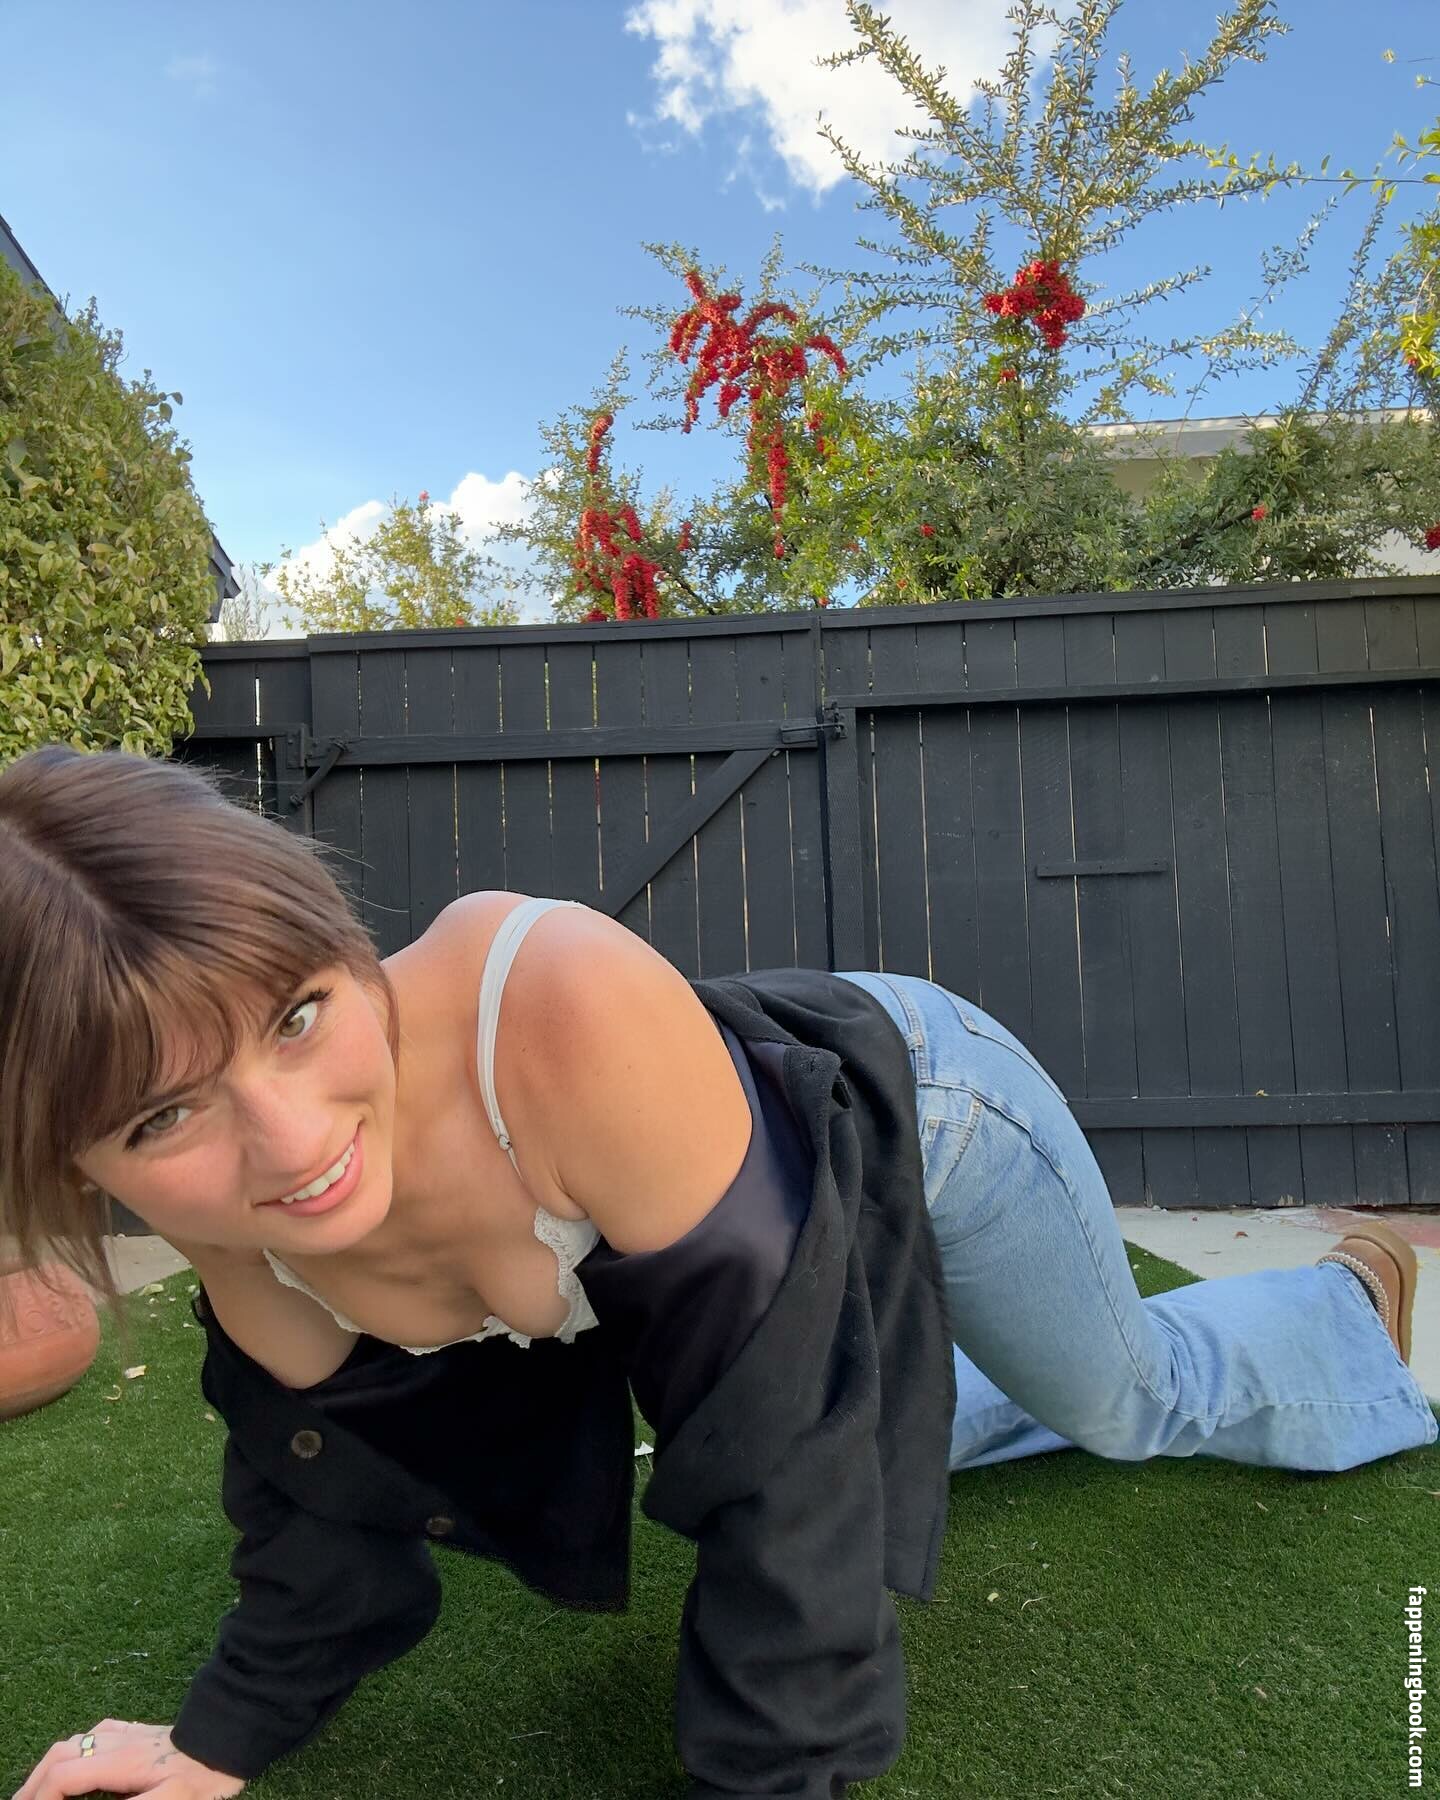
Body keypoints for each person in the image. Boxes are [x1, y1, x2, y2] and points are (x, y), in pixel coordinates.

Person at [5, 743, 1435, 1800]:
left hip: (923, 1112)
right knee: (833, 1402)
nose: (293, 1142)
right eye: (163, 1116)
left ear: (337, 941)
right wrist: (219, 1741)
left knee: (1125, 1399)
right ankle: (923, 1378)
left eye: (299, 1014)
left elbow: (786, 1461)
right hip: (740, 1211)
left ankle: (1339, 1305)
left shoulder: (551, 1007)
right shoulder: (229, 1218)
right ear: (80, 1159)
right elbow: (326, 1504)